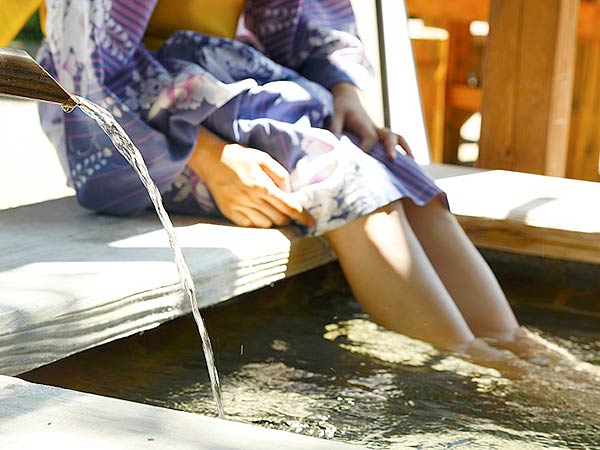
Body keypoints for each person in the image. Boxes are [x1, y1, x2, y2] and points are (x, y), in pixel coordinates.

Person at [38, 0, 524, 355]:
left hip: (223, 84)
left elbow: (306, 17)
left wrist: (344, 91)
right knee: (330, 171)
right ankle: (470, 364)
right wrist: (209, 159)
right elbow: (86, 68)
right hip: (129, 133)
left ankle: (518, 347)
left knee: (382, 157)